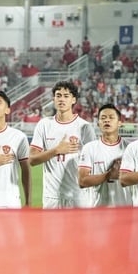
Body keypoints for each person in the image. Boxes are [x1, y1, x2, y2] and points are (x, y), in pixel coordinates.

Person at [29, 80, 96, 208]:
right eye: (58, 95)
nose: (61, 99)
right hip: (51, 198)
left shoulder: (85, 127)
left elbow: (94, 162)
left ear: (73, 100)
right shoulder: (44, 125)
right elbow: (32, 160)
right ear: (53, 99)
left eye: (66, 96)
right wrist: (56, 150)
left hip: (78, 197)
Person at [78, 103, 132, 207]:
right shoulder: (89, 148)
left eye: (111, 117)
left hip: (125, 211)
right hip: (98, 211)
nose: (107, 120)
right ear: (98, 123)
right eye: (103, 118)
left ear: (119, 123)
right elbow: (82, 181)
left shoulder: (131, 149)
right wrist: (109, 175)